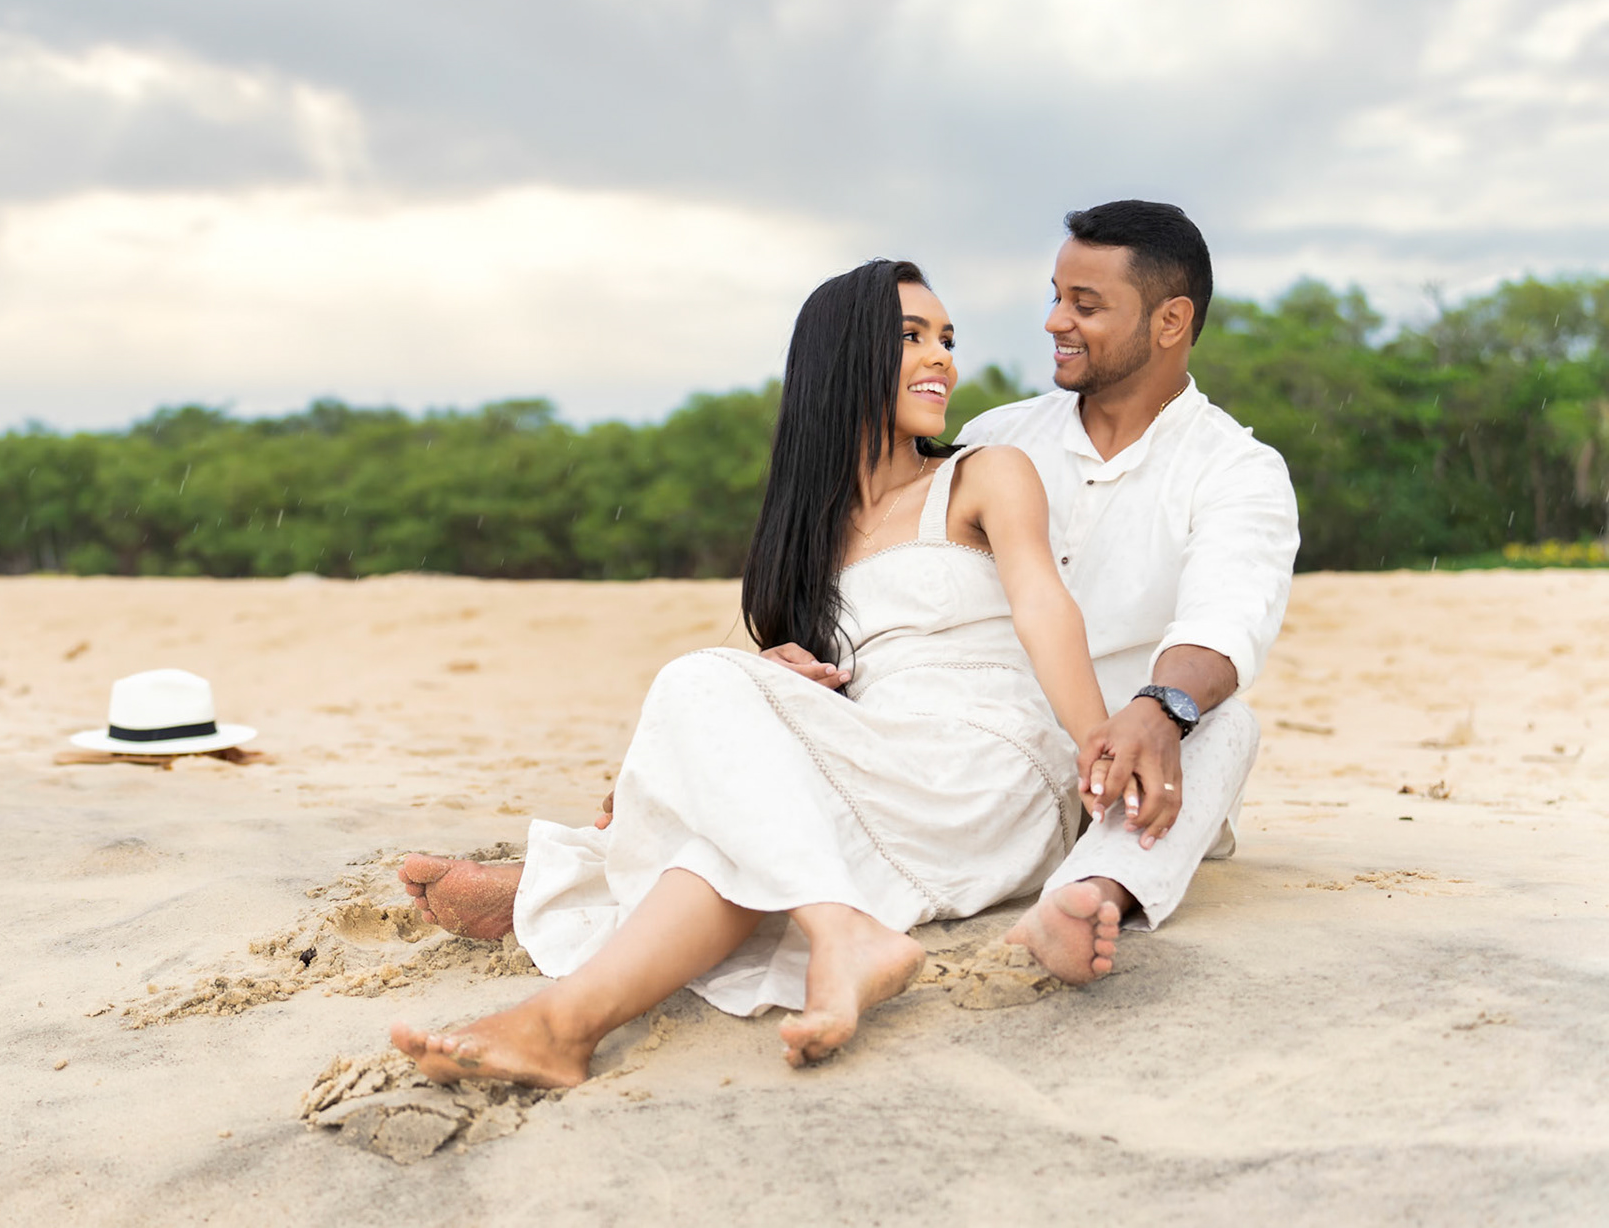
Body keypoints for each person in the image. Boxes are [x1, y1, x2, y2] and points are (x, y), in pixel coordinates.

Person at [403, 200, 1300, 988]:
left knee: (1226, 722)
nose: (1053, 322)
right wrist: (781, 677)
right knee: (726, 701)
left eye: (1085, 305)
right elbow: (911, 613)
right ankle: (611, 872)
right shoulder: (995, 440)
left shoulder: (1236, 470)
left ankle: (1090, 891)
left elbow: (1223, 621)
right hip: (928, 731)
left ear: (1172, 320)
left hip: (1119, 750)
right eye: (1055, 297)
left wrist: (1153, 709)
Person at [391, 259, 1117, 1088]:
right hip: (881, 765)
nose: (942, 358)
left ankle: (599, 895)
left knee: (701, 683)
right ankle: (561, 1028)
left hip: (988, 767)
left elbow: (1043, 607)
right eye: (912, 337)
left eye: (947, 339)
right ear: (842, 357)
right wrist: (789, 682)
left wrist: (1095, 743)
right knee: (733, 838)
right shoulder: (801, 547)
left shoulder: (983, 473)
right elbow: (819, 704)